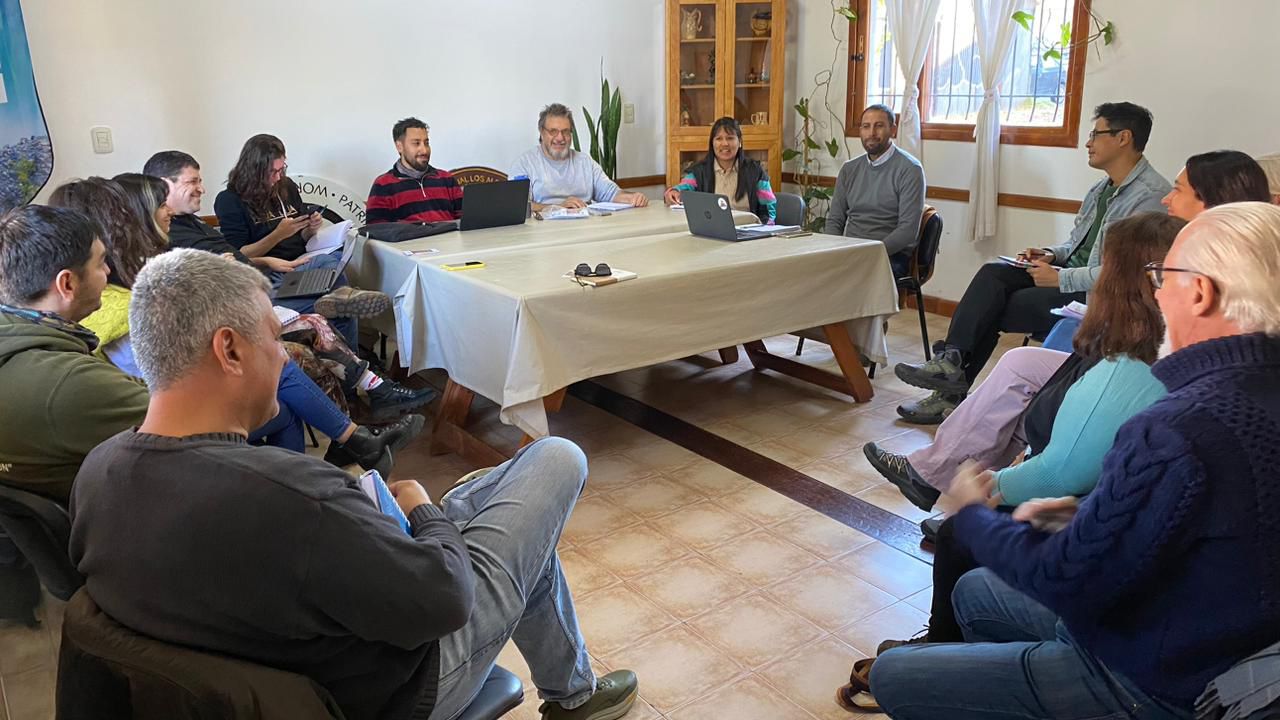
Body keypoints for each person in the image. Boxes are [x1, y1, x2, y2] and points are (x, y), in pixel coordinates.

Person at [70, 248, 640, 720]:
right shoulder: (296, 496)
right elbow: (443, 601)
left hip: (283, 675)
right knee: (557, 458)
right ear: (230, 349)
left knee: (519, 531)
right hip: (396, 694)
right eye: (275, 339)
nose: (285, 359)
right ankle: (468, 521)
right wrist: (424, 515)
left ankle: (574, 693)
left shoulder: (97, 474)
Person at [869, 202, 1280, 720]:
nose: (1155, 291)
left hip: (1153, 676)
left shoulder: (1179, 425)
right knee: (974, 592)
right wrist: (1087, 515)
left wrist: (973, 514)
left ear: (1198, 292)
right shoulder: (1249, 392)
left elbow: (1067, 580)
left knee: (894, 676)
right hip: (1202, 633)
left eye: (1162, 276)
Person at [855, 212, 1182, 687]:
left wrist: (985, 489)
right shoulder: (1162, 350)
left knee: (957, 535)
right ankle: (949, 381)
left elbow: (1061, 474)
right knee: (1015, 357)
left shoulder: (1126, 368)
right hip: (1119, 507)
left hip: (1097, 525)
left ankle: (944, 649)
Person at [47, 176, 422, 476]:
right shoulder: (126, 292)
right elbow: (171, 360)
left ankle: (341, 439)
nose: (168, 209)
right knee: (284, 355)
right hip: (177, 401)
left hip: (209, 339)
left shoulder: (130, 278)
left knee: (307, 328)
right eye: (162, 201)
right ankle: (346, 439)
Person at [893, 102, 1170, 424]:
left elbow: (1125, 273)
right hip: (1068, 276)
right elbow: (1077, 244)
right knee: (994, 273)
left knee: (996, 308)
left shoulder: (1149, 196)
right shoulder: (1101, 189)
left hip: (1100, 296)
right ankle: (950, 363)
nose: (1088, 142)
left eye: (1096, 134)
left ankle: (949, 387)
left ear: (1124, 138)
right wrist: (1050, 254)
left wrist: (1060, 280)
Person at [145, 150, 434, 418]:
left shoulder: (191, 222)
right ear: (163, 186)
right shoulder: (168, 233)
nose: (201, 188)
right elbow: (218, 269)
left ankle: (365, 383)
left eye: (200, 180)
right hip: (249, 302)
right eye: (192, 181)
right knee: (324, 312)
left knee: (329, 267)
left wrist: (274, 257)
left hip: (264, 279)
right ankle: (370, 386)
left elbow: (233, 258)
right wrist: (271, 246)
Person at [0, 205, 148, 502]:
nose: (108, 272)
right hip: (109, 525)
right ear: (67, 283)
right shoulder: (69, 381)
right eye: (102, 262)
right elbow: (190, 420)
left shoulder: (18, 342)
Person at [823, 104, 926, 278]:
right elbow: (835, 220)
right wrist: (834, 249)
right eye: (866, 126)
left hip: (889, 254)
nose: (871, 133)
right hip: (850, 249)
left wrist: (869, 252)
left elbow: (908, 230)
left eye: (879, 126)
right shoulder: (849, 169)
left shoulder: (910, 169)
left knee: (851, 278)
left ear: (893, 130)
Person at [510, 103, 649, 211]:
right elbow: (519, 205)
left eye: (565, 132)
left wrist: (632, 198)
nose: (560, 138)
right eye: (553, 131)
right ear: (541, 132)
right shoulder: (524, 164)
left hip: (584, 231)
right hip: (543, 235)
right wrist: (558, 207)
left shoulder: (585, 162)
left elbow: (610, 193)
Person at [663, 116, 777, 223]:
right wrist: (673, 192)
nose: (725, 144)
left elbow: (769, 210)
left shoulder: (755, 171)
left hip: (748, 235)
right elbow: (681, 188)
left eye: (730, 138)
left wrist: (765, 230)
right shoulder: (699, 171)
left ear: (740, 142)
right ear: (712, 143)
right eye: (719, 139)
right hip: (712, 231)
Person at [366, 117, 464, 224]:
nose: (424, 150)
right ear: (399, 146)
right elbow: (376, 232)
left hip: (450, 240)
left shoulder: (447, 179)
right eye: (416, 143)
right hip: (411, 240)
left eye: (426, 143)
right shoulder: (383, 185)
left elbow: (465, 221)